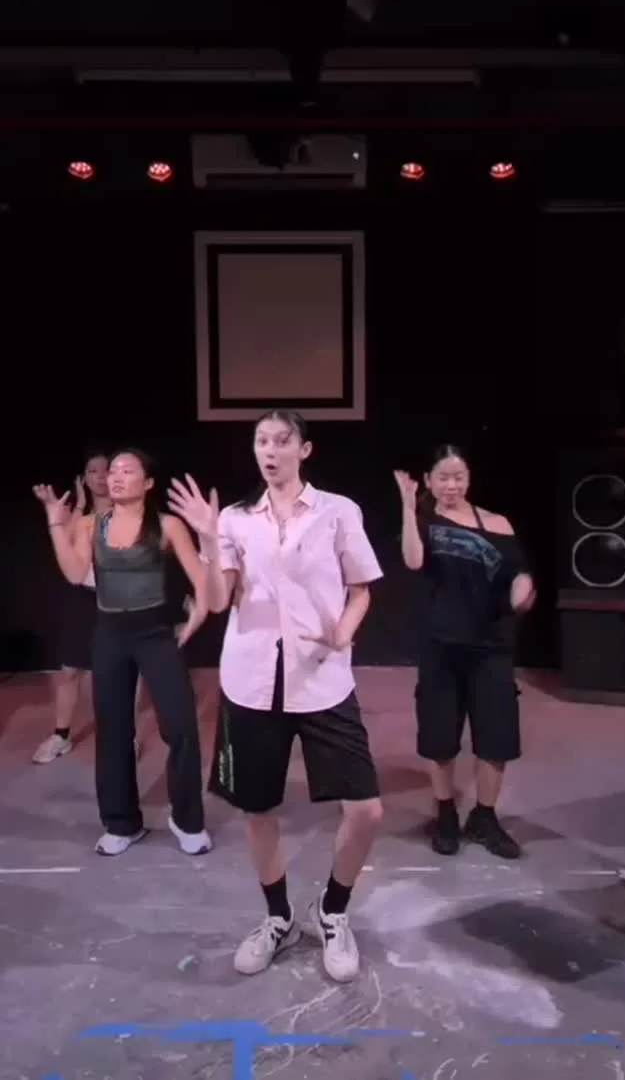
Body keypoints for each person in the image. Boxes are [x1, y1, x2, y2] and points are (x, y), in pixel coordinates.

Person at [168, 410, 383, 983]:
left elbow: (361, 589)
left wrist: (343, 632)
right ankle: (279, 918)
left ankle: (332, 910)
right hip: (252, 680)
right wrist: (208, 537)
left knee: (366, 810)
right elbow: (218, 601)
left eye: (282, 440)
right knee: (257, 808)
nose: (270, 450)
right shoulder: (235, 519)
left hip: (322, 677)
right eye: (261, 440)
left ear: (304, 449)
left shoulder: (338, 511)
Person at [33, 448, 211, 858]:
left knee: (181, 726)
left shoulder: (167, 525)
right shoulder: (90, 524)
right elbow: (75, 573)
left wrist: (195, 620)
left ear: (147, 483)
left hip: (156, 635)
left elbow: (202, 581)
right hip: (111, 634)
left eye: (127, 471)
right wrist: (55, 522)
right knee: (113, 731)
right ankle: (121, 823)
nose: (115, 476)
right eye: (112, 470)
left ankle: (188, 820)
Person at [394, 443, 535, 861]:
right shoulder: (425, 522)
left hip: (491, 647)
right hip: (441, 646)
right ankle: (445, 814)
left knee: (496, 738)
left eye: (458, 477)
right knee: (440, 737)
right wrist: (407, 507)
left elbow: (518, 571)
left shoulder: (497, 522)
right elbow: (413, 561)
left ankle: (485, 817)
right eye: (443, 477)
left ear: (469, 479)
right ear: (429, 480)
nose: (451, 485)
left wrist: (524, 587)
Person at [32, 452, 143, 764]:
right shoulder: (78, 516)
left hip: (122, 600)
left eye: (106, 470)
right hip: (85, 597)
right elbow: (67, 553)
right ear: (84, 479)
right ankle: (61, 735)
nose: (101, 476)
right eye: (92, 471)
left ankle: (127, 735)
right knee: (69, 670)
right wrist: (76, 507)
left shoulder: (132, 512)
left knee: (126, 674)